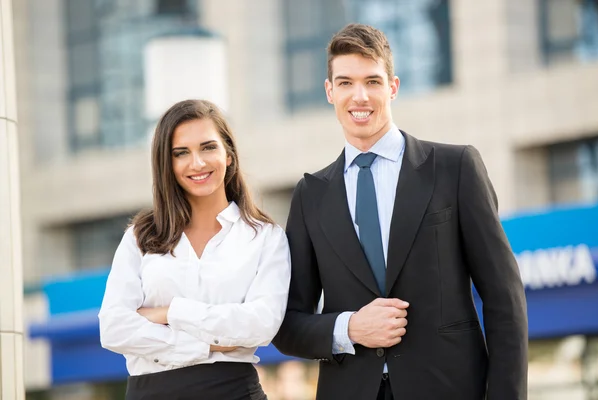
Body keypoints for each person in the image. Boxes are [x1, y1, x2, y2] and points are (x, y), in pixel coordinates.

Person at [272, 23, 528, 400]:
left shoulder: (454, 167)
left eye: (372, 81)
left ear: (392, 86)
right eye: (345, 83)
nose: (359, 96)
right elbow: (288, 324)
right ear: (330, 91)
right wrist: (350, 328)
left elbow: (504, 296)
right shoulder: (311, 195)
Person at [99, 99, 291, 400]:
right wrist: (208, 345)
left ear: (228, 154)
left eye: (208, 147)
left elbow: (260, 325)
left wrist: (169, 312)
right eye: (181, 153)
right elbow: (114, 328)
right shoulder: (140, 236)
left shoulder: (265, 237)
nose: (197, 163)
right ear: (167, 163)